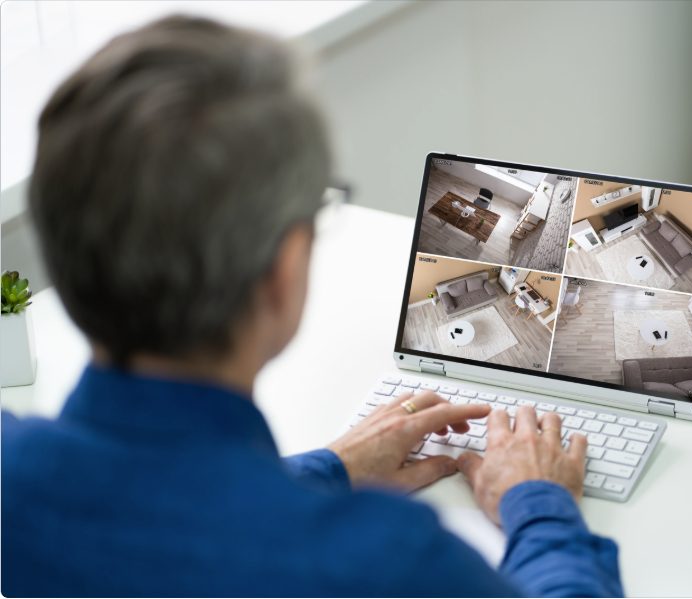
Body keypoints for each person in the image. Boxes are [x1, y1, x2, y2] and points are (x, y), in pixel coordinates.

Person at [1, 16, 624, 598]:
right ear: (283, 270)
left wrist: (326, 469)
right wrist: (540, 506)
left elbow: (161, 520)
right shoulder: (395, 563)